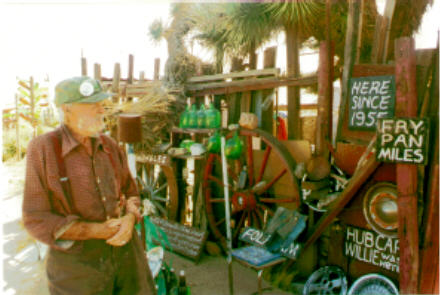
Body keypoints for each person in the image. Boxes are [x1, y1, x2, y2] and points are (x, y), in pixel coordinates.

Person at [22, 76, 156, 294]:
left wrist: (130, 218)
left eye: (101, 105)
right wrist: (95, 231)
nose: (101, 111)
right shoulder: (44, 149)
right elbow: (36, 219)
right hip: (77, 271)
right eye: (92, 106)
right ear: (67, 111)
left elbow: (132, 193)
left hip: (127, 260)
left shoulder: (111, 146)